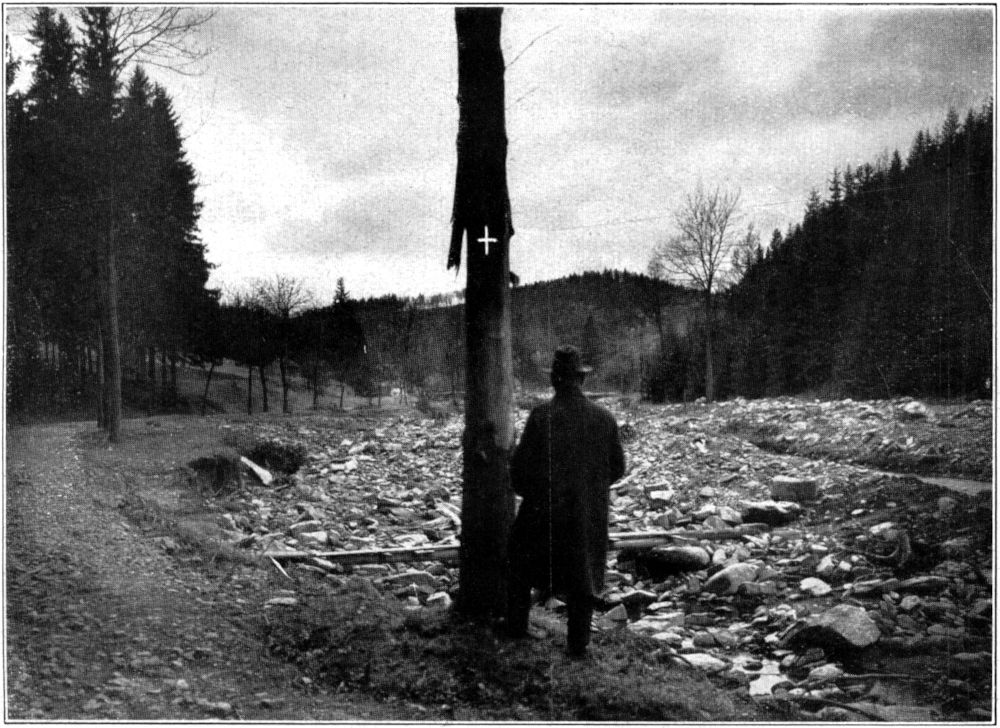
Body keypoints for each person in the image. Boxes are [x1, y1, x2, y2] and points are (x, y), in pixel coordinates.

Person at [505, 345, 626, 658]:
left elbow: (518, 471)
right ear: (581, 380)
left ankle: (516, 627)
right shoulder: (604, 418)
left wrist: (534, 494)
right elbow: (618, 468)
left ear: (554, 380)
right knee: (583, 576)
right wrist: (591, 491)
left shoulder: (540, 416)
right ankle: (578, 644)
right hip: (586, 513)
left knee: (518, 563)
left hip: (543, 511)